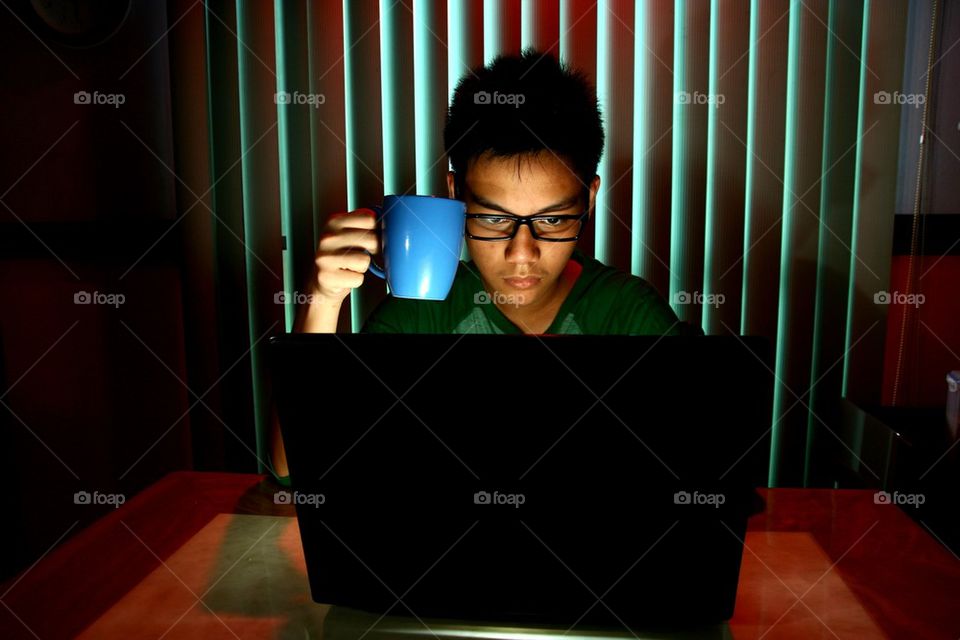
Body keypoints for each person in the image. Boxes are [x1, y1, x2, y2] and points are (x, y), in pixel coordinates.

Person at [272, 50, 685, 477]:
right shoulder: (420, 311)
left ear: (590, 199)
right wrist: (321, 303)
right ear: (455, 197)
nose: (522, 253)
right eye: (493, 218)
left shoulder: (628, 312)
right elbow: (295, 470)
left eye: (552, 219)